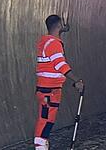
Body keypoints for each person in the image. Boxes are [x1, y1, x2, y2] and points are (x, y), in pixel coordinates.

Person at [35, 15, 83, 150]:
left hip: (48, 89)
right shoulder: (53, 44)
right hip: (49, 90)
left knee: (47, 120)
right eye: (62, 23)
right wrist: (76, 80)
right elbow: (60, 65)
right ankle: (40, 146)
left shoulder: (47, 42)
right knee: (46, 120)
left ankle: (42, 145)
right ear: (58, 25)